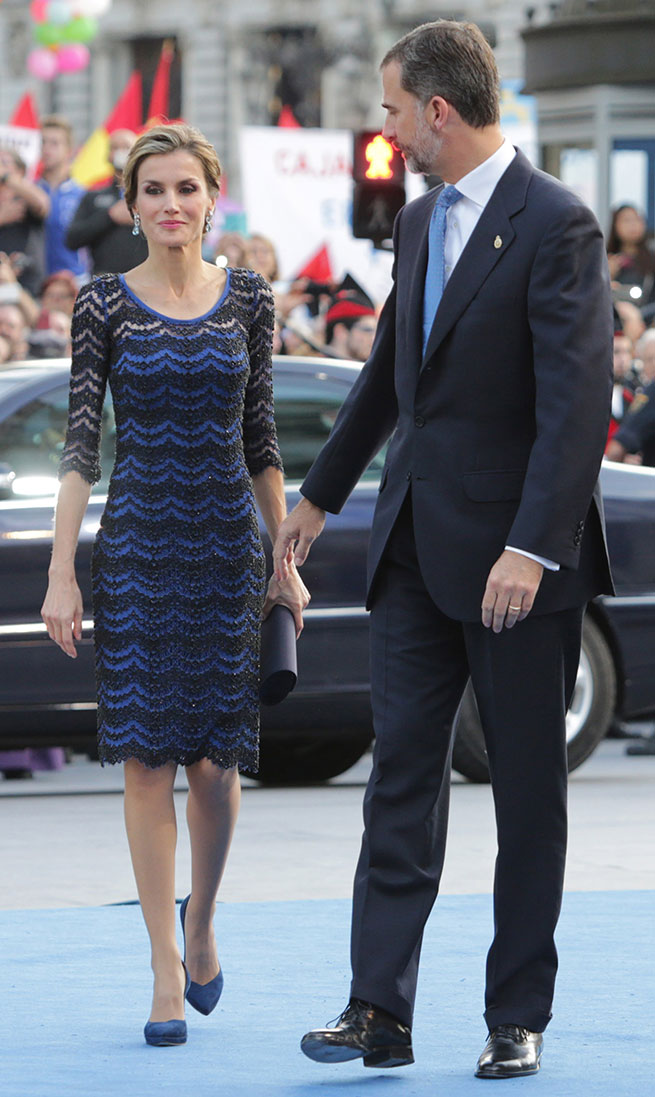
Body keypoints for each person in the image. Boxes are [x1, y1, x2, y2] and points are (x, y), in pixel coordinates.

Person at [273, 20, 613, 1081]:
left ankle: (516, 1013)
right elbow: (386, 378)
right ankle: (379, 1007)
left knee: (525, 792)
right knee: (399, 781)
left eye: (387, 109)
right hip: (413, 547)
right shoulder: (419, 222)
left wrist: (532, 547)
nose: (382, 130)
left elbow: (575, 410)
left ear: (436, 109)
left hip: (516, 568)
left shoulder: (557, 223)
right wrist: (318, 500)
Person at [41, 122, 308, 1047]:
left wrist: (284, 561)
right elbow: (81, 447)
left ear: (211, 195)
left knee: (216, 766)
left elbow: (263, 442)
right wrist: (62, 569)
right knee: (146, 761)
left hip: (228, 550)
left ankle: (202, 921)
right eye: (151, 190)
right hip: (142, 546)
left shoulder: (251, 300)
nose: (169, 205)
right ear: (129, 203)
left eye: (185, 189)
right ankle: (162, 961)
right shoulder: (104, 303)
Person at [66, 129, 149, 274]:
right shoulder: (93, 196)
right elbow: (72, 239)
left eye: (126, 147)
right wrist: (109, 216)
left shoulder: (150, 194)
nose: (120, 152)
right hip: (105, 280)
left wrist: (140, 219)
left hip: (145, 279)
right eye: (115, 147)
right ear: (107, 155)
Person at [37, 115, 89, 280]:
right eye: (43, 142)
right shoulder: (30, 192)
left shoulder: (82, 194)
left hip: (74, 282)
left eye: (54, 143)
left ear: (69, 150)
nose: (46, 149)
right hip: (37, 283)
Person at [0, 147, 49, 298]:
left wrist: (6, 177)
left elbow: (42, 204)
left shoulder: (26, 199)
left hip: (27, 285)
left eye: (4, 162)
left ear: (20, 170)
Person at [607, 204, 655, 314]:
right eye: (626, 220)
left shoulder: (651, 259)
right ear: (615, 225)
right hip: (613, 322)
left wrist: (638, 316)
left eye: (637, 220)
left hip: (645, 322)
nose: (633, 225)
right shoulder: (606, 259)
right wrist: (607, 276)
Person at [324, 293, 378, 362]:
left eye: (376, 331)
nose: (373, 338)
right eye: (367, 330)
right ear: (341, 331)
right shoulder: (314, 368)